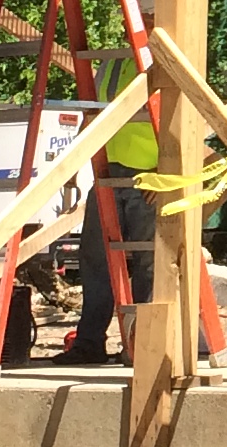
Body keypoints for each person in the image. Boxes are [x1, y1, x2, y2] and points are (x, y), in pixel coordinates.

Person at [55, 60, 162, 365]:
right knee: (95, 260)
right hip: (108, 173)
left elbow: (183, 119)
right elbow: (92, 114)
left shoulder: (166, 62)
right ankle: (89, 343)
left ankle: (144, 344)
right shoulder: (114, 63)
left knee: (149, 266)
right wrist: (73, 163)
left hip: (149, 178)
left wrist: (167, 170)